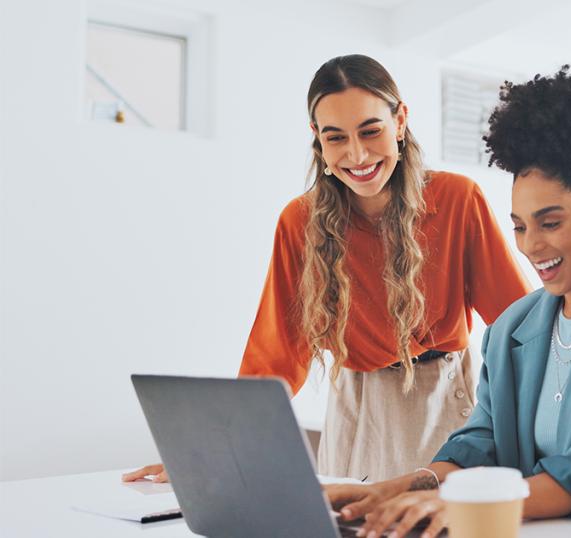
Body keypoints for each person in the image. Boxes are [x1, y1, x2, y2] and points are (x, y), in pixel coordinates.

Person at [321, 66, 571, 538]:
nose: (530, 246)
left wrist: (470, 505)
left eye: (550, 223)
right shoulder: (513, 328)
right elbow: (482, 443)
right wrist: (398, 489)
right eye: (520, 226)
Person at [123, 54, 531, 483]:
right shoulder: (300, 223)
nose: (357, 154)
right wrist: (212, 450)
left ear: (400, 121)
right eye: (336, 138)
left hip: (445, 404)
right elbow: (274, 357)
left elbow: (519, 330)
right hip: (358, 412)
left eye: (371, 131)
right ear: (317, 138)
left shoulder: (457, 199)